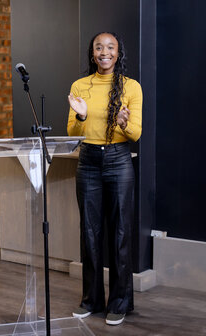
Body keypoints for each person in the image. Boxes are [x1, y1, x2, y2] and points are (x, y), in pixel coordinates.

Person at [67, 32, 143, 326]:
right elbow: (72, 134)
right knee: (90, 232)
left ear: (118, 52)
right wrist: (82, 117)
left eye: (110, 47)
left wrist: (123, 124)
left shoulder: (131, 87)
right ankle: (92, 300)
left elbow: (135, 133)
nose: (104, 52)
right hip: (88, 161)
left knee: (122, 232)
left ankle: (120, 303)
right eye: (99, 47)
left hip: (119, 160)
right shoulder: (79, 86)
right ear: (92, 53)